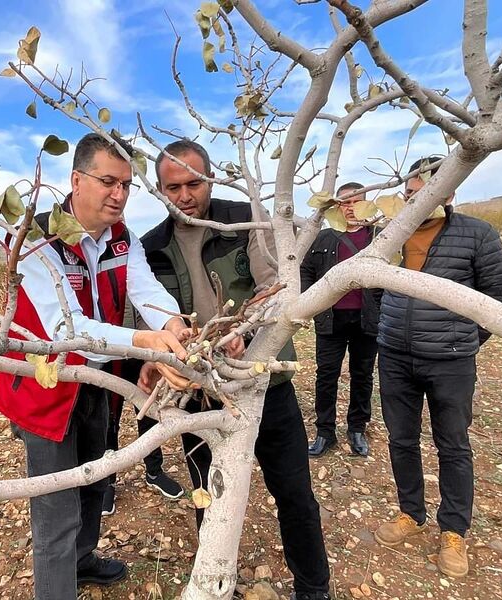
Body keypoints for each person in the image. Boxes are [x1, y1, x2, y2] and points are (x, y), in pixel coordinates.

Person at [0, 133, 191, 600]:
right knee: (55, 507)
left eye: (126, 185)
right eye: (108, 182)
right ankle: (56, 588)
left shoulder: (122, 239)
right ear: (76, 180)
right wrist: (145, 340)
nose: (119, 195)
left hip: (96, 382)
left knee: (95, 481)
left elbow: (146, 291)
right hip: (45, 390)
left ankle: (82, 563)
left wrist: (174, 323)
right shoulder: (35, 240)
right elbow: (67, 327)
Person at [134, 140, 331, 600]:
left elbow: (277, 288)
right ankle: (218, 581)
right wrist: (152, 363)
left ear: (210, 178)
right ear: (161, 191)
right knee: (209, 495)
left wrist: (245, 328)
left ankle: (314, 587)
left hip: (265, 385)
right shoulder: (151, 247)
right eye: (173, 187)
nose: (185, 195)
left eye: (194, 183)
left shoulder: (244, 221)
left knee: (295, 494)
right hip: (200, 395)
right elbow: (141, 317)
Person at [373, 156, 502, 579]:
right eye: (411, 195)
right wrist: (387, 328)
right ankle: (410, 512)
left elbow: (496, 298)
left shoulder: (477, 234)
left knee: (452, 445)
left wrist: (464, 339)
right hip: (395, 356)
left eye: (428, 194)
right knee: (401, 439)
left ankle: (454, 529)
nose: (417, 202)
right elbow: (375, 287)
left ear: (449, 193)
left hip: (450, 361)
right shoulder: (390, 235)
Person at [300, 182, 382, 458]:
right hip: (330, 319)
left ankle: (357, 428)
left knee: (362, 375)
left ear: (366, 203)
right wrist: (310, 302)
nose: (350, 208)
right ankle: (325, 432)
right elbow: (305, 272)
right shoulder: (323, 238)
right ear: (337, 205)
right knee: (326, 376)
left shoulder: (379, 237)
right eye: (345, 202)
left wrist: (382, 306)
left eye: (356, 201)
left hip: (367, 318)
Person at [102, 354, 184, 517]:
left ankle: (154, 472)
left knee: (148, 412)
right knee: (109, 416)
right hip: (109, 356)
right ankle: (107, 481)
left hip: (141, 353)